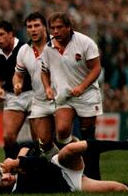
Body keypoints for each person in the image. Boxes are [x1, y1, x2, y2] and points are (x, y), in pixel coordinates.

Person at [41, 12, 103, 179]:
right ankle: (73, 161)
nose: (56, 31)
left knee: (88, 135)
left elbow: (96, 68)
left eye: (59, 27)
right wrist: (47, 87)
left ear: (69, 27)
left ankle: (93, 175)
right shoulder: (48, 47)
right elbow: (44, 71)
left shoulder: (85, 43)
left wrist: (82, 86)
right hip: (64, 96)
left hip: (87, 94)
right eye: (52, 28)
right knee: (61, 132)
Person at [0, 139, 128, 193]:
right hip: (71, 184)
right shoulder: (19, 189)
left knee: (72, 148)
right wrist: (17, 162)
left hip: (60, 165)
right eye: (4, 184)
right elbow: (40, 163)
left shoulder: (16, 169)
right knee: (119, 188)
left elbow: (28, 144)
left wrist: (18, 159)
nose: (7, 179)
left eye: (4, 177)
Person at [14, 12, 57, 159]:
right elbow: (18, 75)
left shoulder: (57, 43)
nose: (33, 29)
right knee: (43, 143)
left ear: (45, 27)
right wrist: (17, 84)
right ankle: (57, 167)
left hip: (63, 98)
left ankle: (78, 166)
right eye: (29, 26)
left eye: (36, 25)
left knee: (64, 137)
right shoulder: (23, 50)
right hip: (40, 100)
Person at [0, 20, 33, 159]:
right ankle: (12, 169)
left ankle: (39, 170)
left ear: (11, 34)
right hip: (13, 96)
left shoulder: (25, 48)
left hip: (35, 94)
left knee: (40, 139)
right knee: (8, 137)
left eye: (1, 34)